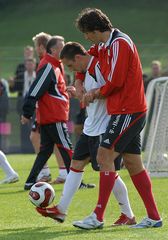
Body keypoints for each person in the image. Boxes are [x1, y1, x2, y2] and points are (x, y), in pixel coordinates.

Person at [69, 8, 162, 229]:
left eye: (86, 33)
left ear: (94, 29)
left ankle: (97, 217)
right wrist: (80, 81)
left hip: (129, 110)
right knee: (132, 163)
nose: (86, 38)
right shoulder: (103, 45)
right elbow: (86, 60)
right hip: (122, 110)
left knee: (104, 155)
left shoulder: (120, 43)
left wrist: (93, 93)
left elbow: (116, 82)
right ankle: (154, 217)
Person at [36, 42, 136, 226]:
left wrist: (89, 93)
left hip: (104, 126)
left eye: (71, 66)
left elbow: (113, 91)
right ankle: (61, 210)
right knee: (76, 164)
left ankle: (127, 214)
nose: (72, 70)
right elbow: (91, 95)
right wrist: (78, 91)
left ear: (79, 58)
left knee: (108, 171)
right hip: (91, 126)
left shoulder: (100, 66)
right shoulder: (85, 70)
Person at [21, 36, 73, 190]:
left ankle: (30, 182)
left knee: (45, 152)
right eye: (61, 47)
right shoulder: (49, 66)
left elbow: (50, 91)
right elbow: (35, 90)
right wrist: (27, 112)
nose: (64, 50)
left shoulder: (55, 65)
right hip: (54, 117)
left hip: (52, 116)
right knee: (67, 148)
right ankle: (77, 181)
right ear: (53, 50)